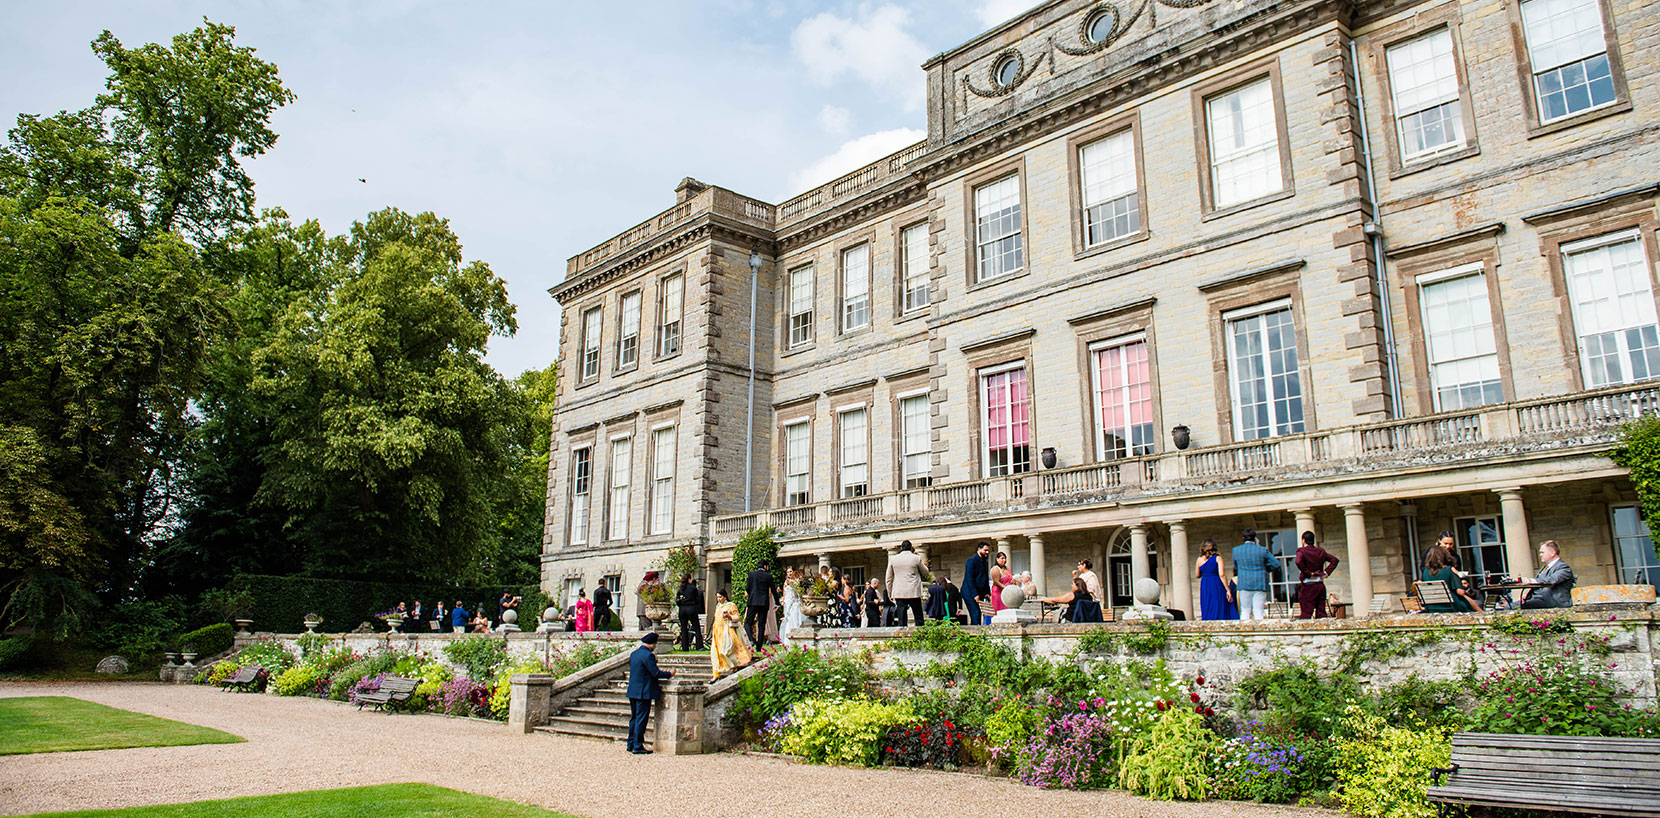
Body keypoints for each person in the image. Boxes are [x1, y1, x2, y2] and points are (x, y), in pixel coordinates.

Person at [624, 632, 672, 754]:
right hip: (643, 691)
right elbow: (655, 673)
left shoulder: (634, 654)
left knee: (634, 718)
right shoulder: (648, 656)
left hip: (633, 690)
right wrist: (669, 674)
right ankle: (638, 745)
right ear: (652, 644)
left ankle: (631, 743)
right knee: (641, 719)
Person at [1232, 528, 1280, 621]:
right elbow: (1276, 564)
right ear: (1254, 538)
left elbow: (1236, 567)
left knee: (1245, 611)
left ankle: (1244, 634)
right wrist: (1266, 569)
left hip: (1244, 583)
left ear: (1243, 538)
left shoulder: (1236, 551)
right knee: (1258, 611)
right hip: (1260, 583)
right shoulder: (1262, 550)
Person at [1294, 530, 1340, 619]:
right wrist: (1326, 573)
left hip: (1308, 586)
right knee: (1321, 613)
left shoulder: (1302, 551)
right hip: (1320, 585)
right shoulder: (1320, 551)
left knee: (1306, 614)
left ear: (1303, 540)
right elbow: (1335, 560)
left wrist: (1308, 573)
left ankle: (1306, 633)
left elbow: (1298, 561)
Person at [885, 540, 932, 627]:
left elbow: (888, 578)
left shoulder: (893, 559)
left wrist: (889, 593)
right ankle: (920, 636)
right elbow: (925, 572)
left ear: (901, 548)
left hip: (899, 591)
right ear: (911, 548)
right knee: (918, 617)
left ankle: (902, 637)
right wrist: (921, 562)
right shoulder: (916, 558)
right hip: (913, 590)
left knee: (901, 619)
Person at [1520, 540, 1576, 609]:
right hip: (1540, 601)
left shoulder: (1563, 568)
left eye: (1542, 552)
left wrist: (1531, 581)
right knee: (1512, 605)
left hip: (1553, 602)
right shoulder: (1545, 567)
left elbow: (1552, 580)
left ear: (1552, 553)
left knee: (1513, 607)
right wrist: (1528, 597)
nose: (1540, 555)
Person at [1421, 546, 1475, 613]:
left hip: (1431, 607)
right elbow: (1460, 592)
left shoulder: (1425, 572)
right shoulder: (1449, 570)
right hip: (1451, 606)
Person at [710, 593, 752, 677]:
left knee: (726, 649)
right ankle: (716, 673)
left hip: (728, 630)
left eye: (720, 597)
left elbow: (737, 617)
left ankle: (734, 665)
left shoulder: (731, 605)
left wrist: (729, 616)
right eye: (717, 597)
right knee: (716, 652)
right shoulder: (718, 606)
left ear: (725, 596)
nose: (719, 599)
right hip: (718, 632)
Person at [1196, 539, 1238, 621]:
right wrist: (1228, 589)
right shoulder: (1218, 558)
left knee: (1207, 604)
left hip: (1205, 584)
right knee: (1219, 604)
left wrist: (1205, 571)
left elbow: (1197, 575)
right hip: (1216, 583)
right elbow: (1222, 574)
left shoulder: (1199, 559)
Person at [744, 559, 774, 647]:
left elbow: (747, 590)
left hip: (752, 602)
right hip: (763, 603)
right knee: (761, 624)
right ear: (765, 566)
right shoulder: (768, 576)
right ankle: (759, 645)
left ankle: (750, 639)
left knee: (748, 622)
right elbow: (771, 591)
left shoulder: (751, 575)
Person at [963, 541, 992, 626]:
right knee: (975, 614)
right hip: (969, 593)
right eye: (985, 550)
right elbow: (969, 579)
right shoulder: (971, 561)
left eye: (988, 551)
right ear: (979, 549)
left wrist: (987, 592)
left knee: (979, 615)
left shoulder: (984, 563)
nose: (987, 552)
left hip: (980, 593)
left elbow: (985, 578)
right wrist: (974, 594)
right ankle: (975, 637)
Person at [676, 575, 705, 651]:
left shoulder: (681, 589)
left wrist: (682, 604)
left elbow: (677, 601)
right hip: (691, 608)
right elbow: (697, 599)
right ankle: (699, 646)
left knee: (684, 628)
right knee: (696, 627)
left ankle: (685, 646)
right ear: (689, 579)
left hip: (682, 609)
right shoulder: (693, 588)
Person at [779, 568, 806, 647]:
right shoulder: (786, 583)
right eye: (788, 572)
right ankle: (788, 640)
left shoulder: (796, 582)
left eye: (791, 571)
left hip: (795, 603)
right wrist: (783, 601)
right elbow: (785, 594)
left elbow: (797, 594)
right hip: (789, 603)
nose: (789, 573)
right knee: (789, 620)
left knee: (796, 620)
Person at [991, 552, 1015, 621]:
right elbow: (996, 582)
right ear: (997, 559)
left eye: (1005, 558)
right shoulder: (996, 569)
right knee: (999, 612)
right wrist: (1006, 588)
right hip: (998, 593)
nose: (1004, 560)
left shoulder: (1007, 569)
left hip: (1007, 593)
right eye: (1002, 558)